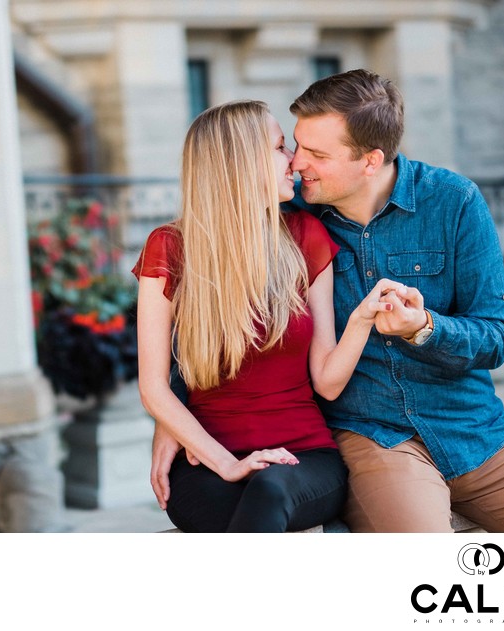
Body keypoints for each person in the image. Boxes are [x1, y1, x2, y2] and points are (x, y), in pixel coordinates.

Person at [283, 68, 504, 532]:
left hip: (475, 432)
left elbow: (498, 336)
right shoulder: (289, 220)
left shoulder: (454, 201)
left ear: (371, 160)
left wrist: (424, 327)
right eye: (296, 144)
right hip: (373, 437)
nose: (296, 162)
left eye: (317, 153)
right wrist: (171, 421)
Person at [133, 100, 402, 532]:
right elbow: (153, 387)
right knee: (252, 496)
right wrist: (228, 464)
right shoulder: (169, 247)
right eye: (280, 148)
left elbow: (327, 383)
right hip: (208, 462)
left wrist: (363, 319)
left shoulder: (305, 237)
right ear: (241, 163)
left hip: (305, 457)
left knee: (270, 489)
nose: (293, 161)